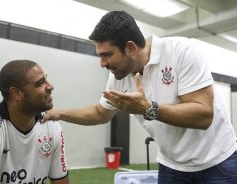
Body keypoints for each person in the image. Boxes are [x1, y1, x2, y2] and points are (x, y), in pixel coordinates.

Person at [42, 11, 237, 183]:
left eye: (107, 55)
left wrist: (148, 109)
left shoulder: (182, 52)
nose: (102, 63)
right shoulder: (118, 76)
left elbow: (203, 116)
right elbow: (100, 113)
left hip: (217, 162)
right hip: (172, 166)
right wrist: (57, 113)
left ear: (131, 48)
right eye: (100, 56)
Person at [0, 60, 69, 184]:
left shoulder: (52, 126)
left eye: (46, 79)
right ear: (16, 93)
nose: (50, 86)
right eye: (40, 83)